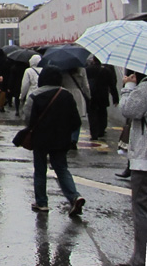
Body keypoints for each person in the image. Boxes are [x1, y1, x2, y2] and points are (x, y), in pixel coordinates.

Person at [22, 66, 85, 216]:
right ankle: (74, 196)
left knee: (40, 169)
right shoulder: (66, 95)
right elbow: (76, 120)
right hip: (61, 139)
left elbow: (27, 119)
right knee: (62, 168)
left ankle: (42, 202)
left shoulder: (35, 95)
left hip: (40, 138)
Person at [117, 69, 146, 266]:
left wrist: (128, 87)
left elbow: (128, 110)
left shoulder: (145, 88)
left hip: (144, 160)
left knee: (141, 209)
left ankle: (139, 260)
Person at [86, 56, 119, 140]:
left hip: (92, 94)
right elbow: (112, 85)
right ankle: (101, 130)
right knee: (102, 112)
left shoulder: (88, 69)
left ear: (93, 60)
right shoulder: (107, 70)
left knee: (92, 114)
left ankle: (94, 133)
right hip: (103, 94)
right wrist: (115, 98)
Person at [61, 63, 91, 149]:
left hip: (65, 93)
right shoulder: (82, 70)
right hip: (78, 94)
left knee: (66, 118)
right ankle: (74, 139)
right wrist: (88, 96)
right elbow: (86, 85)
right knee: (77, 118)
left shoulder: (63, 69)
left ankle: (67, 137)